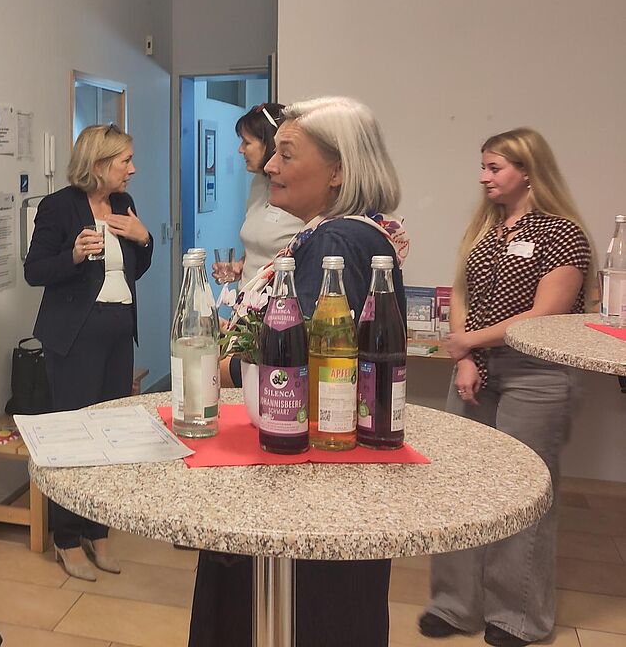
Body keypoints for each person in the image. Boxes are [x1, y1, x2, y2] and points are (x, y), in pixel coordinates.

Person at [191, 96, 409, 647]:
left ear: (338, 170)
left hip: (307, 475)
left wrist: (224, 367)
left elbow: (297, 362)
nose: (270, 166)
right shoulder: (352, 233)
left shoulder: (335, 242)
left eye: (286, 155)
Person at [420, 128, 594, 647]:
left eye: (494, 168)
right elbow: (460, 291)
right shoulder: (487, 229)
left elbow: (545, 314)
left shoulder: (563, 234)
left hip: (536, 375)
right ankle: (454, 605)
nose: (484, 178)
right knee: (459, 484)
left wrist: (468, 341)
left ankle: (518, 616)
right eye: (484, 167)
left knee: (525, 492)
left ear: (529, 171)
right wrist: (465, 356)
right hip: (475, 369)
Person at [24, 123, 154, 581]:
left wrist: (143, 237)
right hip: (74, 339)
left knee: (111, 436)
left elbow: (137, 267)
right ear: (99, 164)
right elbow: (35, 270)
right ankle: (66, 538)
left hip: (118, 336)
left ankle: (98, 532)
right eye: (125, 161)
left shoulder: (123, 204)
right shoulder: (59, 207)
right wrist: (74, 256)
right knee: (74, 439)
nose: (132, 169)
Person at [212, 102, 304, 387]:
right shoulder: (256, 186)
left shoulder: (299, 193)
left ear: (270, 143)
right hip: (246, 309)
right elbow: (262, 243)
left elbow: (295, 250)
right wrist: (240, 265)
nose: (240, 150)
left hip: (277, 314)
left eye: (247, 142)